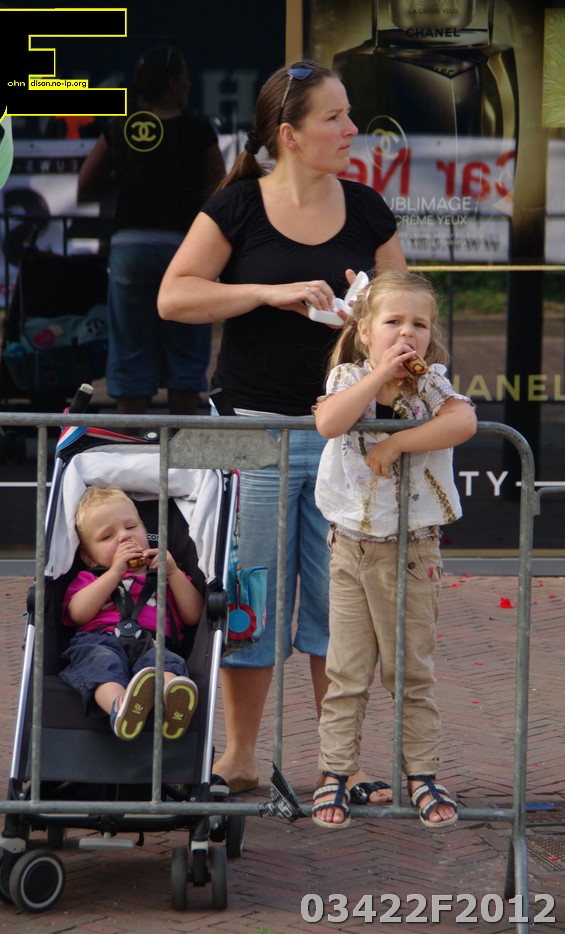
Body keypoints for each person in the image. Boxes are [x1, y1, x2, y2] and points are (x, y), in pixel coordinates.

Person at [158, 60, 407, 796]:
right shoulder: (237, 206)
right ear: (289, 135)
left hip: (346, 441)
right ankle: (238, 759)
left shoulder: (367, 209)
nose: (352, 129)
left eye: (349, 113)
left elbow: (406, 315)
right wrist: (267, 292)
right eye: (335, 117)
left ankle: (341, 765)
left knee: (340, 608)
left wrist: (369, 319)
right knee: (250, 599)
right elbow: (175, 297)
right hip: (249, 434)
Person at [311, 269, 477, 828]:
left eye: (419, 324)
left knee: (410, 673)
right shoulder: (348, 377)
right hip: (351, 549)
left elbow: (463, 420)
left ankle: (421, 774)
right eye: (393, 322)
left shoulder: (430, 384)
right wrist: (379, 373)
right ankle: (335, 773)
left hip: (413, 550)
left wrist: (399, 441)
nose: (407, 333)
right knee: (347, 672)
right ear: (364, 331)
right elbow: (330, 421)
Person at [77, 46, 226, 416]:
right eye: (185, 76)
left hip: (130, 247)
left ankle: (128, 444)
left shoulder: (121, 127)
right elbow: (221, 191)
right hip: (186, 249)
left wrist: (128, 180)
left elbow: (85, 184)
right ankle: (179, 445)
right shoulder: (197, 128)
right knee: (186, 354)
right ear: (173, 84)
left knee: (131, 353)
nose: (189, 83)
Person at [59, 485, 202, 741]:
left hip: (154, 642)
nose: (124, 536)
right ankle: (120, 706)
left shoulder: (167, 576)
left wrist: (173, 573)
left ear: (146, 532)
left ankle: (173, 699)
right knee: (100, 663)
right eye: (108, 536)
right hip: (100, 640)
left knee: (164, 663)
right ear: (89, 558)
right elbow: (78, 614)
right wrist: (115, 573)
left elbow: (194, 615)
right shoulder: (91, 578)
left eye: (132, 527)